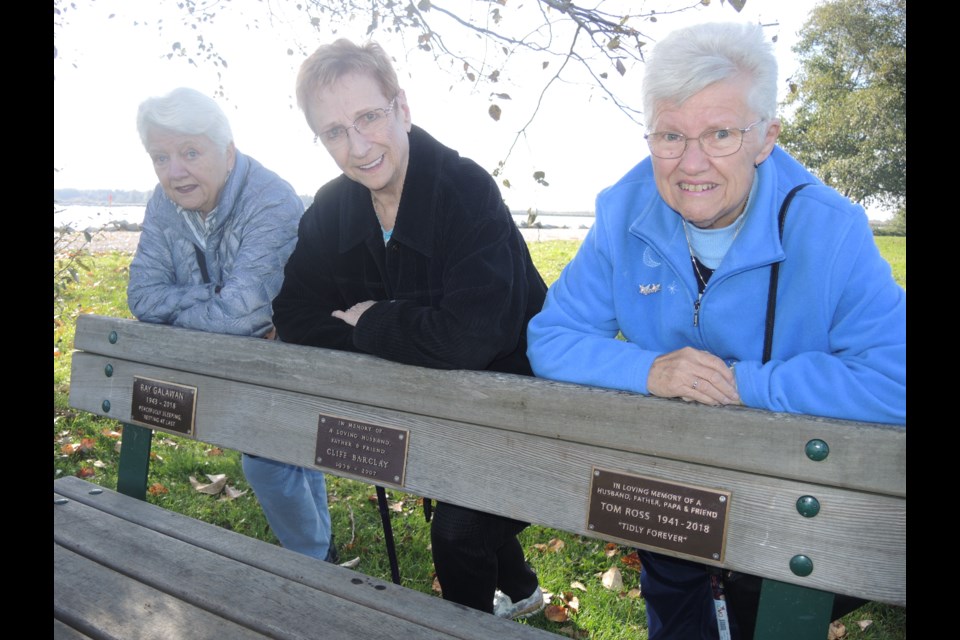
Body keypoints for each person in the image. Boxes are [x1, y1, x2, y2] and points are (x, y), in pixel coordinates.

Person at [526, 21, 906, 640]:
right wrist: (649, 370)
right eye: (671, 135)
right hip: (673, 495)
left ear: (765, 138)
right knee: (674, 599)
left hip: (795, 500)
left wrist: (741, 384)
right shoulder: (623, 211)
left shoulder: (830, 228)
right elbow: (552, 337)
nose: (691, 163)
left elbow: (897, 379)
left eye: (720, 134)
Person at [271, 39, 548, 618]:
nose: (357, 145)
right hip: (426, 403)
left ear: (402, 107)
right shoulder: (331, 208)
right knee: (454, 493)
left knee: (456, 529)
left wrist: (371, 321)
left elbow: (472, 339)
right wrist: (390, 337)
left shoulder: (464, 190)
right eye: (334, 132)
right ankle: (521, 589)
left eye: (368, 116)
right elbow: (294, 313)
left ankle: (468, 624)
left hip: (522, 401)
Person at [127, 87, 336, 564]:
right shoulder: (163, 203)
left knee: (266, 460)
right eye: (161, 157)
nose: (174, 171)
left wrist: (192, 306)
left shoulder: (271, 200)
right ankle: (319, 550)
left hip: (292, 358)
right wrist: (213, 296)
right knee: (281, 458)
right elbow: (141, 295)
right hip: (227, 362)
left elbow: (246, 316)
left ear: (228, 152)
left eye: (190, 152)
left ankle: (313, 561)